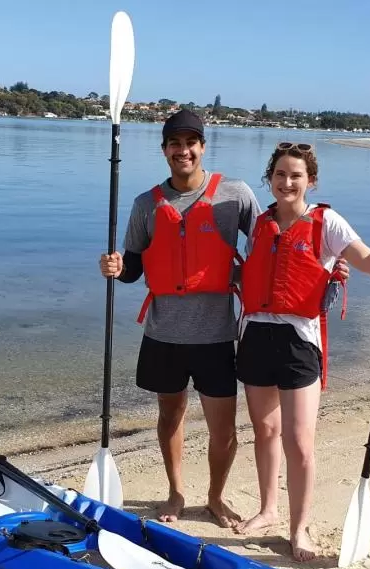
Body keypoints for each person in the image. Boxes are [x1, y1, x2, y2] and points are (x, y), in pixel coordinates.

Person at [232, 141, 370, 561]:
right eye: (280, 174)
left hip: (299, 341)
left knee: (300, 441)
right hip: (254, 336)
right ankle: (268, 509)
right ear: (270, 178)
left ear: (311, 181)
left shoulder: (327, 222)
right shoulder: (260, 223)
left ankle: (298, 528)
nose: (287, 182)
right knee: (265, 431)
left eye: (296, 176)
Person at [97, 109, 258, 529]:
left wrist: (327, 263)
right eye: (175, 143)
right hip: (163, 334)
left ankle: (216, 498)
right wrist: (116, 267)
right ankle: (176, 491)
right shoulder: (145, 205)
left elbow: (268, 246)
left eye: (191, 143)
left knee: (223, 428)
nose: (183, 150)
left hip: (217, 335)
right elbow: (132, 269)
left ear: (202, 147)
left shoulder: (235, 195)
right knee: (169, 415)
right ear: (164, 149)